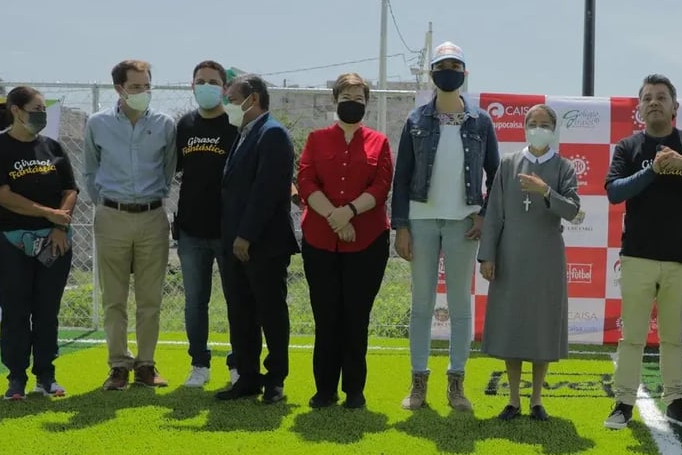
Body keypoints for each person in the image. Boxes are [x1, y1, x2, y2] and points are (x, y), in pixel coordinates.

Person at [603, 74, 682, 430]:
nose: (654, 102)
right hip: (638, 255)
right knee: (632, 336)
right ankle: (623, 402)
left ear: (674, 106)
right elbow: (615, 192)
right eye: (647, 97)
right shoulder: (628, 147)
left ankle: (676, 402)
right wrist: (653, 170)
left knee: (673, 337)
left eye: (661, 97)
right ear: (639, 108)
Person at [391, 42, 500, 412]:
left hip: (463, 223)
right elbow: (402, 176)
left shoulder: (481, 121)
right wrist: (401, 226)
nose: (448, 72)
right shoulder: (416, 119)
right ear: (432, 73)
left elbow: (495, 174)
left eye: (455, 66)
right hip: (421, 220)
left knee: (459, 306)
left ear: (464, 73)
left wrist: (484, 214)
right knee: (421, 304)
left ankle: (456, 384)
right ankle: (418, 383)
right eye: (442, 66)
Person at [478, 104, 581, 421]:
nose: (538, 128)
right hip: (510, 254)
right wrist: (488, 254)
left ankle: (536, 399)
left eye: (544, 123)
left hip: (547, 257)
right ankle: (513, 399)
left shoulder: (564, 168)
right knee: (512, 324)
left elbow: (572, 210)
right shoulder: (509, 164)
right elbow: (494, 213)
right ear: (524, 127)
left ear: (554, 129)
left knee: (541, 325)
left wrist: (545, 190)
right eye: (533, 122)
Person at [297, 73, 392, 409]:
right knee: (326, 316)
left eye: (359, 98)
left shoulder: (379, 142)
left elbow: (381, 186)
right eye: (347, 97)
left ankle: (354, 390)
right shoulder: (316, 139)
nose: (353, 103)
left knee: (356, 316)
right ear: (335, 100)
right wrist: (335, 219)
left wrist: (349, 212)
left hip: (368, 242)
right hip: (320, 241)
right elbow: (306, 181)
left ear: (367, 103)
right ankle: (325, 389)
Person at [84, 59, 177, 391]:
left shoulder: (165, 124)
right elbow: (90, 171)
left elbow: (168, 169)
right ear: (119, 89)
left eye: (146, 85)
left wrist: (153, 198)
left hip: (153, 216)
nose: (143, 91)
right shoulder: (97, 123)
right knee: (114, 299)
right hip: (111, 216)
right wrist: (106, 203)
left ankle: (146, 364)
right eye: (136, 86)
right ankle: (118, 365)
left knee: (150, 299)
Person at [0, 87, 77, 400]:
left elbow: (70, 190)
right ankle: (16, 378)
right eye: (36, 109)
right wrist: (48, 213)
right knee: (16, 311)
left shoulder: (52, 146)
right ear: (16, 111)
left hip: (54, 241)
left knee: (47, 311)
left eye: (43, 109)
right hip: (8, 243)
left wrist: (59, 224)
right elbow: (1, 194)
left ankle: (46, 376)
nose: (41, 115)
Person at [214, 74, 298, 404]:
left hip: (263, 244)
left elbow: (267, 191)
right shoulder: (243, 134)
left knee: (270, 312)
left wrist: (245, 236)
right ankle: (247, 376)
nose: (228, 106)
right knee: (241, 312)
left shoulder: (272, 133)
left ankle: (275, 379)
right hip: (235, 243)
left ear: (254, 99)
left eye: (233, 99)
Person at [175, 60, 239, 388]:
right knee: (195, 302)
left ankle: (238, 363)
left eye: (213, 82)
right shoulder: (184, 125)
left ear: (224, 88)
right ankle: (199, 364)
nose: (206, 86)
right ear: (192, 85)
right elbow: (174, 169)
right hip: (191, 230)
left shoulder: (236, 123)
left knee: (236, 300)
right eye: (200, 81)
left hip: (228, 230)